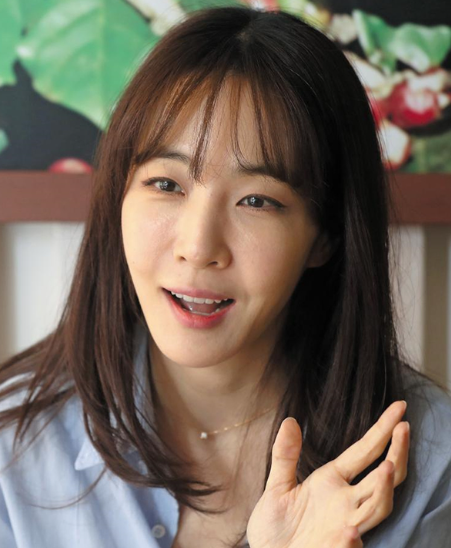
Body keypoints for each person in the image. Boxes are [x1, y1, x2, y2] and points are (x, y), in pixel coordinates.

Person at [0, 5, 450, 548]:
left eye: (256, 200)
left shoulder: (428, 459)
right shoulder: (14, 444)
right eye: (166, 184)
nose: (197, 248)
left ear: (325, 236)